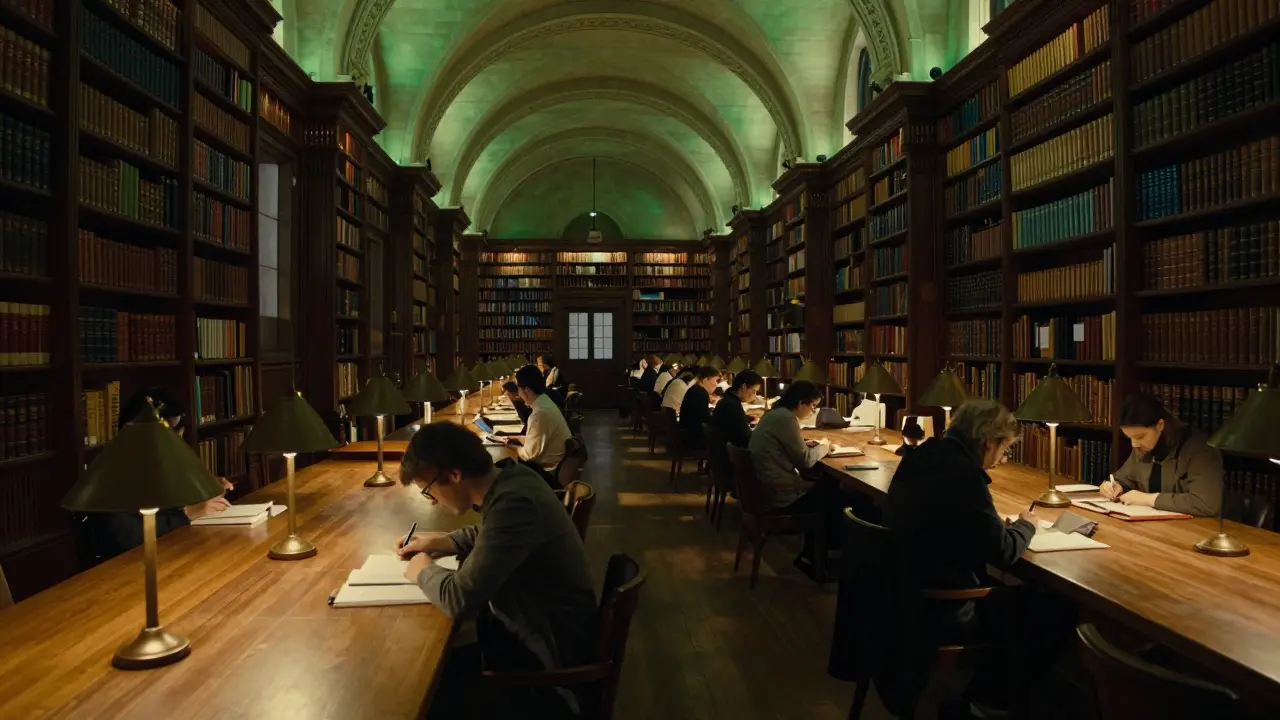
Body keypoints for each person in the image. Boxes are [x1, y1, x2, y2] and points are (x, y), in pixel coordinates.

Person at [396, 422, 597, 719]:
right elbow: (490, 533)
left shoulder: (515, 503)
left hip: (548, 662)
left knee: (423, 689)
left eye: (429, 491)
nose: (434, 501)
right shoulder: (514, 480)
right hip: (535, 631)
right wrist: (443, 541)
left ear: (453, 475)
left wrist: (422, 569)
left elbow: (460, 599)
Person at [886, 400, 1066, 719]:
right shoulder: (965, 474)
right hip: (941, 605)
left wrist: (991, 527)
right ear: (988, 442)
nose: (1002, 459)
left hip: (902, 587)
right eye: (1005, 449)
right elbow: (1005, 553)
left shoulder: (923, 454)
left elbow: (960, 523)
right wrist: (1028, 524)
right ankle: (986, 705)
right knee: (1050, 608)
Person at [94, 388, 232, 560]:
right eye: (171, 432)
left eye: (178, 432)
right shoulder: (112, 472)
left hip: (171, 553)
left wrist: (207, 490)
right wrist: (187, 514)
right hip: (127, 568)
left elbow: (172, 503)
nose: (177, 440)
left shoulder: (155, 461)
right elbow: (128, 536)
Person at [748, 380, 840, 576]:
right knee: (833, 493)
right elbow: (806, 461)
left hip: (764, 489)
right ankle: (816, 559)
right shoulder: (786, 419)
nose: (813, 411)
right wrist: (825, 444)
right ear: (801, 403)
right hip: (780, 495)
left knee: (828, 488)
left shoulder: (774, 414)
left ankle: (814, 555)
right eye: (813, 406)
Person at [1100, 392, 1224, 517]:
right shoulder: (1143, 446)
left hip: (1197, 529)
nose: (1134, 444)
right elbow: (1124, 478)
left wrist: (1148, 499)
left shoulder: (1200, 449)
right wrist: (1113, 486)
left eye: (1140, 436)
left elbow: (1206, 503)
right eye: (1130, 437)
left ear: (1160, 425)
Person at [497, 365, 573, 487]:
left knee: (500, 471)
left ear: (527, 389)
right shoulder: (544, 401)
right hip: (553, 465)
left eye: (519, 388)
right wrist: (518, 439)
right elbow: (537, 439)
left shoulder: (539, 414)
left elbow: (528, 455)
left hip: (547, 473)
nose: (519, 393)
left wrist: (512, 447)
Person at [713, 369, 762, 448]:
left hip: (723, 450)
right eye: (753, 391)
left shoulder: (726, 400)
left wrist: (749, 418)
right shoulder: (732, 405)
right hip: (734, 455)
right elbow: (746, 438)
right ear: (744, 386)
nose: (754, 395)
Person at [679, 366, 722, 446]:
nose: (717, 384)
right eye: (716, 380)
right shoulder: (700, 393)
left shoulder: (695, 389)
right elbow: (705, 418)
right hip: (693, 437)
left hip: (688, 433)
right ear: (705, 380)